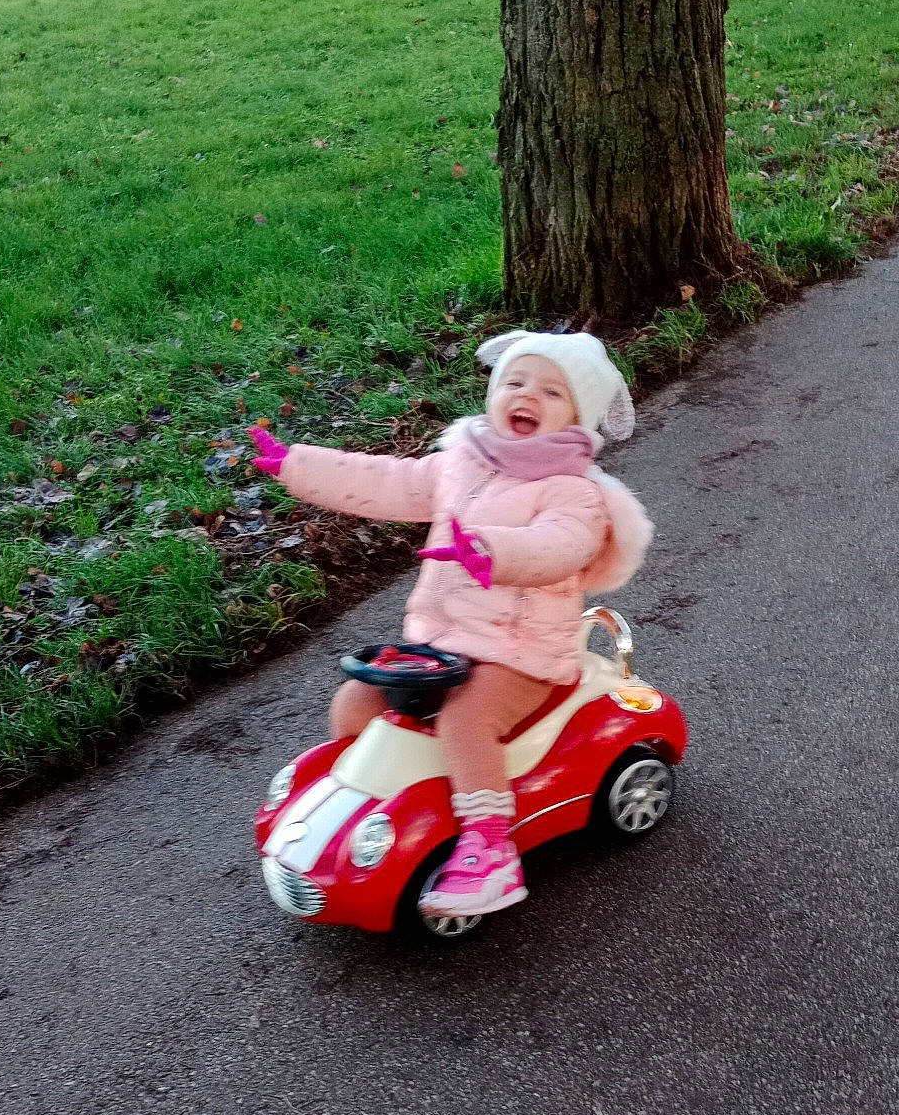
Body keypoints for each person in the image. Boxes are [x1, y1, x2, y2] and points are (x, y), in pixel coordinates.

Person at [247, 331, 652, 917]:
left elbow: (559, 547)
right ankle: (359, 804)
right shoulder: (461, 463)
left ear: (578, 417)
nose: (527, 396)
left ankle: (489, 849)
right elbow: (386, 481)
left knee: (466, 718)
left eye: (552, 391)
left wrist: (491, 551)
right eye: (514, 382)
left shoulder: (574, 492)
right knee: (356, 701)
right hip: (442, 645)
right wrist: (298, 466)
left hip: (521, 654)